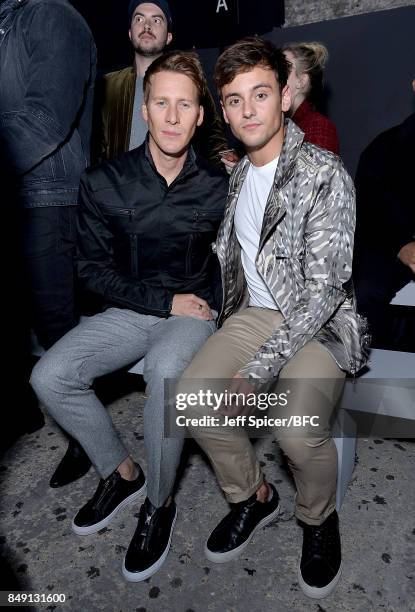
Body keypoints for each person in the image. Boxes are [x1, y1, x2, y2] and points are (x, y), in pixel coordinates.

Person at [177, 37, 368, 599]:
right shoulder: (237, 177)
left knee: (294, 428)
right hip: (254, 316)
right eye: (233, 101)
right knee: (190, 400)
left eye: (260, 94)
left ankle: (318, 519)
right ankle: (253, 497)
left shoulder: (324, 173)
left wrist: (259, 369)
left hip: (319, 325)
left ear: (285, 96)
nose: (248, 110)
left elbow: (325, 289)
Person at [30, 50, 228, 582]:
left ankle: (159, 503)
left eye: (184, 104)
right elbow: (89, 269)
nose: (171, 116)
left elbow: (235, 261)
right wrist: (161, 302)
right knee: (49, 375)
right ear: (144, 109)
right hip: (132, 307)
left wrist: (227, 327)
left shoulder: (219, 183)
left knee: (166, 373)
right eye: (160, 102)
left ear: (200, 115)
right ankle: (121, 472)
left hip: (193, 312)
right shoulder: (103, 181)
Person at [0, 0, 96, 449]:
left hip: (47, 196)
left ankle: (89, 440)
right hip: (15, 194)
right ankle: (22, 411)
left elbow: (44, 118)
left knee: (57, 328)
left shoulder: (53, 15)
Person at [96, 0, 228, 165]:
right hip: (120, 186)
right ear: (130, 33)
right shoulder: (108, 86)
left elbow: (214, 142)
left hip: (179, 187)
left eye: (156, 20)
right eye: (139, 19)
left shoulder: (190, 83)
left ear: (169, 37)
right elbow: (95, 147)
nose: (147, 26)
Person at [353, 82, 415, 348]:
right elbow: (370, 207)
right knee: (364, 290)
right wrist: (401, 244)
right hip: (394, 247)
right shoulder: (384, 148)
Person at [283, 42, 340, 154]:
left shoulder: (319, 127)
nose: (274, 75)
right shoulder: (282, 125)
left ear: (301, 81)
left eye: (283, 70)